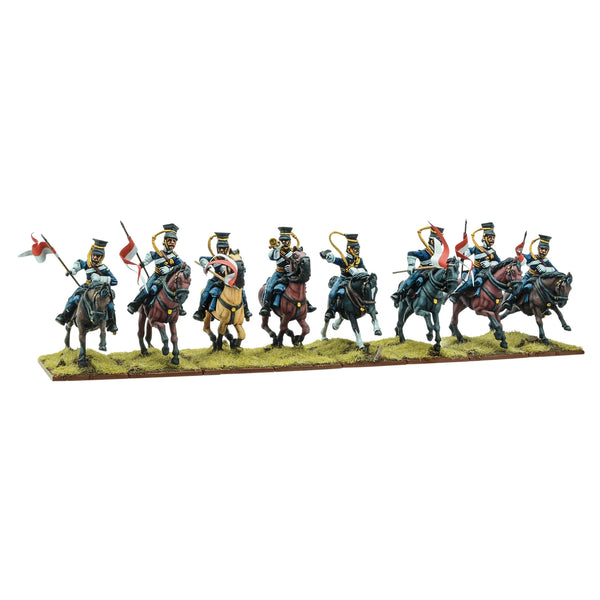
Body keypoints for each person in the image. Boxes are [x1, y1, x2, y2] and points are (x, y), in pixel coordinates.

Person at [55, 238, 118, 332]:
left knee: (110, 305)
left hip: (100, 288)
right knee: (74, 298)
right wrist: (72, 271)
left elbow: (114, 281)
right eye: (94, 255)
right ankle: (65, 316)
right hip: (88, 286)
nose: (95, 258)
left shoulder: (104, 268)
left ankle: (112, 323)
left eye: (98, 256)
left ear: (101, 257)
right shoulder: (87, 264)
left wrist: (100, 279)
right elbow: (79, 264)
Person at [127, 223, 186, 315]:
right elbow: (147, 260)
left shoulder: (175, 257)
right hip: (156, 275)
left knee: (178, 289)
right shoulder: (157, 253)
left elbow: (183, 267)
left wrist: (170, 270)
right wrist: (142, 264)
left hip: (168, 277)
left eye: (174, 241)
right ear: (164, 241)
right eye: (169, 240)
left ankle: (179, 307)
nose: (172, 243)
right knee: (148, 289)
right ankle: (135, 305)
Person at [193, 232, 252, 320]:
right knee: (205, 293)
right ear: (217, 248)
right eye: (219, 248)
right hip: (216, 280)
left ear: (227, 249)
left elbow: (240, 268)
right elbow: (202, 258)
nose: (221, 250)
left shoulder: (231, 259)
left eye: (223, 249)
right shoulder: (214, 258)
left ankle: (246, 310)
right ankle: (201, 311)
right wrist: (206, 265)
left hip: (229, 282)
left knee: (242, 292)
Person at [260, 226, 315, 317]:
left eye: (286, 241)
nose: (284, 242)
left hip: (290, 274)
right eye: (282, 241)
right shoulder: (275, 251)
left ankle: (306, 303)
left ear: (289, 241)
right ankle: (266, 306)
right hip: (279, 273)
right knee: (269, 288)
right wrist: (277, 249)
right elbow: (273, 257)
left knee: (300, 287)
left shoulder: (292, 251)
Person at [392, 225, 445, 306]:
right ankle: (400, 293)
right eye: (438, 241)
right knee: (416, 279)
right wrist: (411, 265)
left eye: (441, 242)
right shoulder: (425, 253)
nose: (440, 244)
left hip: (435, 271)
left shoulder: (440, 254)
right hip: (423, 270)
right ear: (432, 241)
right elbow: (411, 253)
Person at [501, 234, 556, 310]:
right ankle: (510, 301)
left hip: (539, 279)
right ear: (538, 248)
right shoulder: (531, 257)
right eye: (542, 249)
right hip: (529, 276)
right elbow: (522, 258)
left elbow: (555, 271)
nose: (543, 251)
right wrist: (519, 253)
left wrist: (546, 269)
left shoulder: (546, 261)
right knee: (521, 286)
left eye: (545, 250)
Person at [320, 233, 367, 320]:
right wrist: (328, 256)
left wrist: (357, 271)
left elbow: (365, 271)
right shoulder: (343, 260)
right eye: (355, 249)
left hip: (355, 281)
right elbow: (334, 260)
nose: (357, 251)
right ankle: (331, 310)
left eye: (358, 249)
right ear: (349, 250)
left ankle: (369, 306)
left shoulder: (359, 260)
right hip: (343, 280)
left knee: (367, 289)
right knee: (332, 294)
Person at [452, 222, 501, 299]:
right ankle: (456, 293)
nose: (492, 240)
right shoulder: (477, 248)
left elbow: (499, 262)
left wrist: (490, 263)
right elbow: (467, 253)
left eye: (493, 238)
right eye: (490, 238)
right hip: (475, 269)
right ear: (484, 238)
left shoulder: (493, 252)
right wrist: (464, 251)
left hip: (486, 272)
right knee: (468, 282)